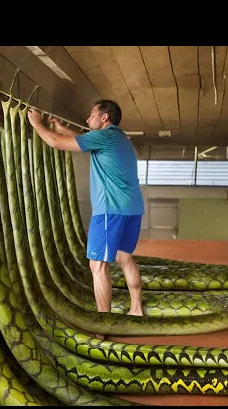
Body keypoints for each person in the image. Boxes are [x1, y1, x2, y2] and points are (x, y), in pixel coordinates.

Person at [27, 99, 145, 331]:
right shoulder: (121, 139)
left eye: (92, 114)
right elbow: (84, 140)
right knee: (124, 258)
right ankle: (136, 308)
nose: (88, 119)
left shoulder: (104, 136)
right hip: (132, 209)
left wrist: (37, 124)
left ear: (105, 117)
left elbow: (55, 142)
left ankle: (103, 325)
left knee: (97, 265)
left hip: (110, 210)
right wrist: (63, 128)